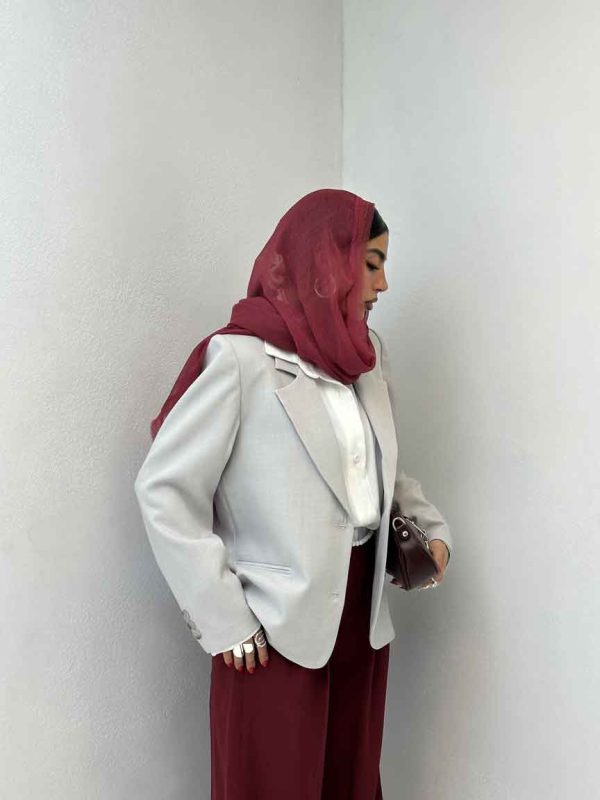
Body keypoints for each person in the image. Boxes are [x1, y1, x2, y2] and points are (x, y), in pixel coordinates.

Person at [134, 188, 452, 799]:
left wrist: (428, 530)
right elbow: (164, 488)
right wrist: (224, 618)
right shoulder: (240, 360)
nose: (383, 284)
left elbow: (379, 468)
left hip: (362, 616)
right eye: (371, 264)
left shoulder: (367, 358)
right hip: (271, 629)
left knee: (350, 783)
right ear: (327, 263)